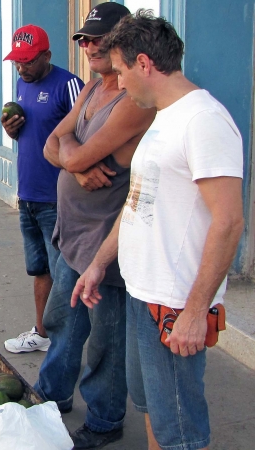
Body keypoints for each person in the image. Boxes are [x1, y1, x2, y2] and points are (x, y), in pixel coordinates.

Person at [73, 10, 244, 450]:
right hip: (140, 292)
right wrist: (98, 263)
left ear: (145, 63)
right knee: (153, 411)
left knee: (180, 432)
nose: (121, 83)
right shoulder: (164, 117)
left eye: (123, 71)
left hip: (174, 304)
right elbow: (137, 205)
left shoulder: (203, 120)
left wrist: (194, 311)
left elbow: (228, 222)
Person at [36, 4, 155, 449]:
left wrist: (73, 159)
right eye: (83, 39)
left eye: (97, 39)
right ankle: (52, 396)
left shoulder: (134, 100)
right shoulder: (90, 90)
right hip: (73, 232)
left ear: (121, 43)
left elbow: (72, 152)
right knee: (62, 319)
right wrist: (76, 163)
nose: (88, 46)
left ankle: (105, 420)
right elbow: (54, 144)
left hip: (108, 238)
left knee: (106, 336)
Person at [1, 24, 84, 353]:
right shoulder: (22, 84)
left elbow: (86, 137)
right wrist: (11, 131)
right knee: (40, 270)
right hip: (29, 197)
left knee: (65, 277)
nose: (22, 68)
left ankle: (65, 344)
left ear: (47, 55)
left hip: (58, 200)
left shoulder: (69, 86)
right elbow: (30, 136)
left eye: (29, 61)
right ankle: (41, 333)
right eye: (18, 62)